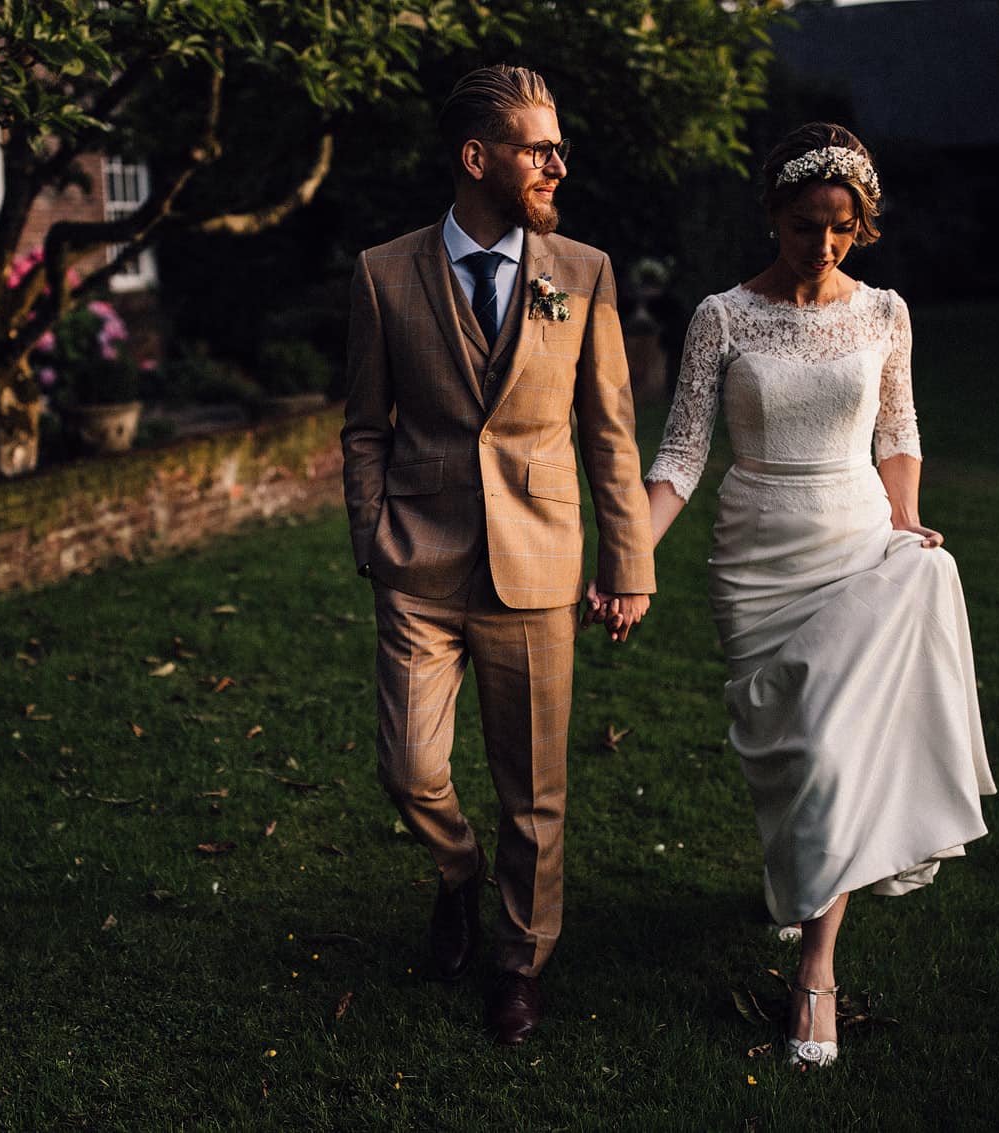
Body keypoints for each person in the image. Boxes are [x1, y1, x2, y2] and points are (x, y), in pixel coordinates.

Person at [619, 122, 996, 1069]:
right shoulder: (720, 317)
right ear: (773, 217)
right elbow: (682, 450)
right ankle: (794, 867)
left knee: (833, 746)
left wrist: (906, 516)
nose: (821, 245)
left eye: (840, 227)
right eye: (802, 225)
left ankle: (817, 973)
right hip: (756, 551)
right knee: (787, 746)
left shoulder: (884, 313)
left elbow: (899, 429)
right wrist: (633, 553)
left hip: (859, 538)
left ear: (860, 224)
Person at [341, 64, 656, 1045]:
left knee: (534, 796)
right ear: (477, 158)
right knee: (408, 767)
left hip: (538, 565)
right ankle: (456, 870)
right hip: (419, 562)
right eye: (536, 146)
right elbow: (361, 427)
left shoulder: (582, 273)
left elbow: (607, 433)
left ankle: (518, 965)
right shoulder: (382, 272)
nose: (557, 161)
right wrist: (372, 537)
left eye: (557, 145)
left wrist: (628, 562)